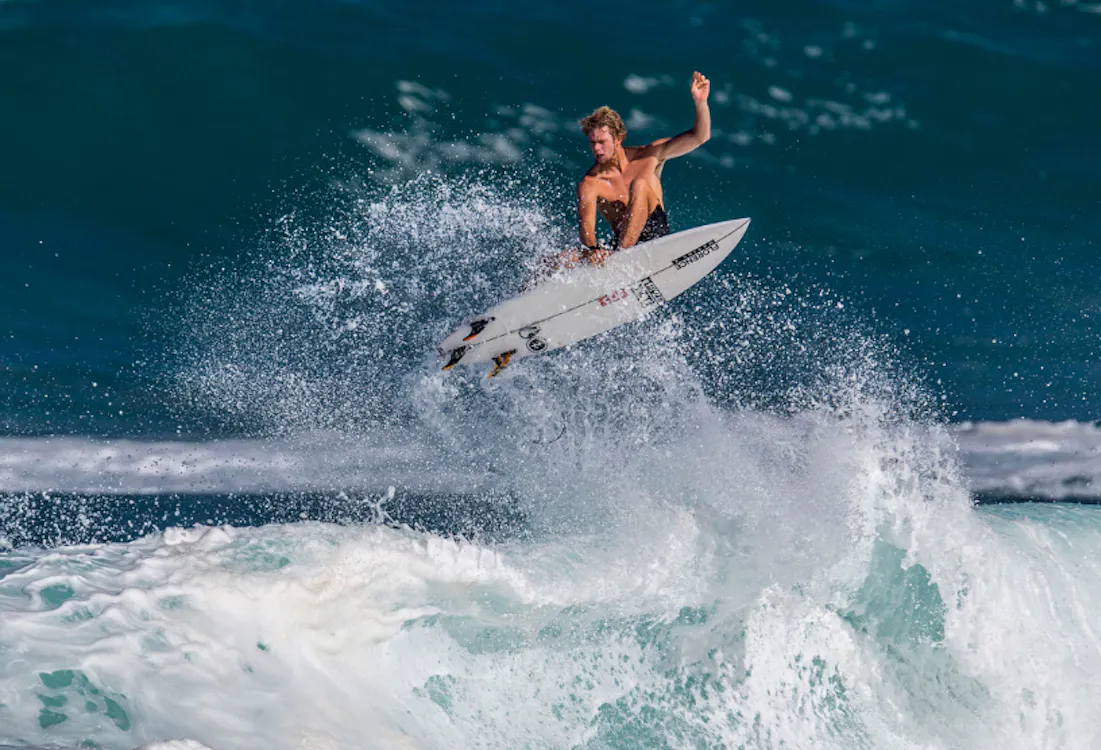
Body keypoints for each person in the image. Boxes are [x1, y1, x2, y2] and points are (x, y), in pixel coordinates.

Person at [574, 71, 712, 264]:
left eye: (601, 141)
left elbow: (699, 137)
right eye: (592, 143)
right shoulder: (590, 183)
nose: (596, 148)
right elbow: (586, 226)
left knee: (640, 184)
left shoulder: (649, 156)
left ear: (618, 139)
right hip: (618, 251)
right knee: (565, 258)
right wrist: (593, 250)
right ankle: (527, 292)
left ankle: (621, 261)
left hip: (653, 241)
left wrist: (701, 103)